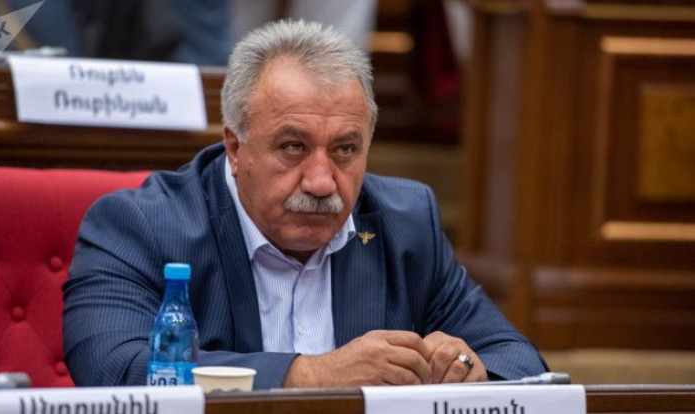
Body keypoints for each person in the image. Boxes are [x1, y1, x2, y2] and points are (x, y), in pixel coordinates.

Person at [62, 19, 547, 389]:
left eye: (345, 150)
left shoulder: (405, 221)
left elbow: (519, 362)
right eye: (293, 147)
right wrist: (309, 375)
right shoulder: (141, 224)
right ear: (235, 147)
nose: (320, 182)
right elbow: (115, 368)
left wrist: (464, 367)